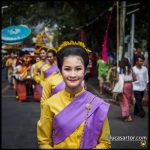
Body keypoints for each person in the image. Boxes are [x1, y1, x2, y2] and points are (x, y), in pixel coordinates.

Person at [37, 41, 111, 149]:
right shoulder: (50, 104)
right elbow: (44, 142)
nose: (72, 74)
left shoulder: (96, 104)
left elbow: (106, 142)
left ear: (85, 70)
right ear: (60, 71)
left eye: (78, 69)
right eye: (67, 69)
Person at [117, 57, 136, 122]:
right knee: (128, 100)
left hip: (123, 85)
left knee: (124, 101)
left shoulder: (119, 69)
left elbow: (117, 79)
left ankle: (127, 115)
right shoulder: (131, 69)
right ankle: (127, 115)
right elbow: (134, 78)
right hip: (130, 85)